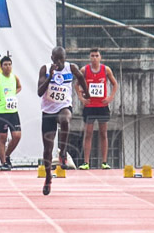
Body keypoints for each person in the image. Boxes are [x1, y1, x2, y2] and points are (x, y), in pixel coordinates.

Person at [37, 47, 88, 195]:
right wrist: (50, 77)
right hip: (48, 111)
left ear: (65, 58)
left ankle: (63, 152)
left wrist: (87, 92)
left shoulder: (70, 67)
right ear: (52, 58)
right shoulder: (45, 69)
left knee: (65, 119)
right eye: (56, 59)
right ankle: (48, 178)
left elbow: (81, 78)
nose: (59, 62)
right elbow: (40, 92)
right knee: (47, 149)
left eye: (62, 59)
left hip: (63, 106)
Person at [79, 48, 119, 170]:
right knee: (88, 134)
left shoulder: (106, 70)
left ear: (100, 57)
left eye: (97, 55)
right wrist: (81, 98)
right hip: (90, 106)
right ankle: (86, 162)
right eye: (92, 56)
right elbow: (76, 84)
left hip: (102, 106)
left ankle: (104, 162)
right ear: (90, 58)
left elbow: (115, 84)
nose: (95, 58)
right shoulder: (84, 70)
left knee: (103, 133)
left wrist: (110, 97)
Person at [0, 55, 22, 171]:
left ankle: (7, 155)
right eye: (5, 65)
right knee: (3, 137)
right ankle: (3, 162)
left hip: (13, 111)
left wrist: (13, 94)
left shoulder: (14, 77)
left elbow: (19, 87)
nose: (8, 67)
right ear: (1, 67)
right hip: (1, 112)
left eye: (9, 64)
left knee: (17, 136)